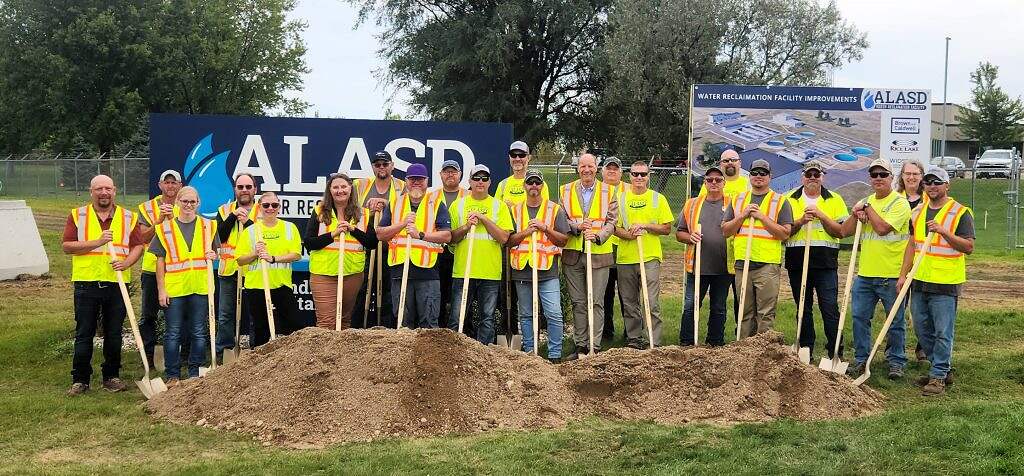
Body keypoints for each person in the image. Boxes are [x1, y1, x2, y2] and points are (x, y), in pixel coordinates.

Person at [62, 175, 145, 396]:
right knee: (84, 332)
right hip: (86, 282)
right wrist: (97, 242)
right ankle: (80, 379)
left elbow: (138, 246)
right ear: (91, 192)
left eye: (108, 188)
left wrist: (127, 262)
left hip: (116, 283)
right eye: (99, 189)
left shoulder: (128, 217)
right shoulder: (78, 215)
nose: (104, 192)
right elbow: (68, 246)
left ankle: (111, 376)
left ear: (114, 191)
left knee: (114, 332)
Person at [898, 166, 974, 396]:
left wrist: (944, 232)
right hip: (920, 280)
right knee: (922, 330)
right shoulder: (918, 212)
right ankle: (942, 367)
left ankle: (938, 375)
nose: (932, 186)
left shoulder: (960, 212)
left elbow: (968, 247)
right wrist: (903, 275)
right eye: (928, 182)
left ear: (946, 185)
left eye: (937, 182)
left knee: (943, 332)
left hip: (945, 282)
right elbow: (912, 245)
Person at [840, 158, 912, 379]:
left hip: (891, 274)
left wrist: (867, 209)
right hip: (866, 274)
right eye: (874, 175)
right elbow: (845, 232)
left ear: (892, 178)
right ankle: (861, 359)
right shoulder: (865, 201)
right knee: (860, 318)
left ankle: (896, 361)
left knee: (895, 321)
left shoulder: (899, 203)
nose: (878, 178)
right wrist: (855, 214)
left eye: (883, 175)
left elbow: (881, 228)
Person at [151, 187, 216, 385]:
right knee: (173, 332)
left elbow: (216, 253)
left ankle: (195, 373)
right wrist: (161, 289)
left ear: (199, 204)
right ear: (177, 202)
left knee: (198, 331)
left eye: (192, 202)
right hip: (175, 288)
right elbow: (160, 261)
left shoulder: (209, 226)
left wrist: (215, 256)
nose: (189, 205)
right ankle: (172, 375)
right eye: (185, 201)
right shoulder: (165, 229)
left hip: (200, 287)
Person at [722, 159, 793, 339]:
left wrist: (761, 217)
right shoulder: (738, 200)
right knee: (744, 312)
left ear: (770, 177)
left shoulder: (780, 201)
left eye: (763, 173)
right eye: (755, 173)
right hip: (742, 264)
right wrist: (743, 215)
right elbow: (725, 230)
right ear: (750, 176)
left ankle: (763, 353)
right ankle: (744, 351)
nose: (758, 176)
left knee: (765, 313)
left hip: (767, 266)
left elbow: (785, 233)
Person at [785, 160, 848, 359]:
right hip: (797, 261)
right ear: (802, 177)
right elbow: (784, 232)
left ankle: (835, 351)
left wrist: (821, 216)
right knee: (803, 307)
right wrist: (801, 221)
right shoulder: (790, 199)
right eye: (809, 174)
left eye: (816, 175)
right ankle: (806, 349)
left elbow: (840, 231)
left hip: (825, 263)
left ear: (822, 177)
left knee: (829, 307)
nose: (812, 178)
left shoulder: (834, 199)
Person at [376, 163, 453, 328]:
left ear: (426, 181)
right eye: (412, 179)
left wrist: (421, 235)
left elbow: (447, 235)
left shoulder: (436, 203)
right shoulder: (396, 203)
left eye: (420, 179)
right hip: (400, 270)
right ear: (406, 181)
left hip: (428, 272)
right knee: (402, 323)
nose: (416, 182)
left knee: (429, 324)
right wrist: (402, 224)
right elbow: (380, 234)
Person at [506, 169, 570, 361]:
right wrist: (526, 231)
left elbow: (563, 240)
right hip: (522, 270)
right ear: (524, 186)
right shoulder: (515, 210)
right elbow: (508, 240)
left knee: (554, 314)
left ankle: (555, 354)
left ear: (542, 186)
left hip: (547, 270)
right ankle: (530, 353)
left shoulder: (554, 209)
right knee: (526, 314)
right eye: (530, 182)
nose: (533, 186)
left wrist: (545, 229)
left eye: (537, 182)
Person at [560, 153, 619, 357]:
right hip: (573, 253)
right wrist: (576, 226)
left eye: (590, 166)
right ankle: (581, 345)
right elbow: (560, 219)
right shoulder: (565, 190)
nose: (586, 170)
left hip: (599, 254)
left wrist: (599, 236)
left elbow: (612, 222)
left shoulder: (609, 191)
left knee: (596, 301)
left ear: (596, 167)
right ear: (578, 168)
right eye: (583, 166)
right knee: (578, 301)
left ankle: (595, 345)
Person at [448, 164, 513, 343]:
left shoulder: (498, 206)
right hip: (463, 271)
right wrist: (467, 226)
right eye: (476, 178)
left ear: (490, 182)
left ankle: (484, 356)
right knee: (457, 318)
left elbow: (504, 238)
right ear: (469, 181)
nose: (480, 182)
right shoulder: (458, 205)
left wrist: (484, 219)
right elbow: (451, 237)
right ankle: (453, 354)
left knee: (488, 319)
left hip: (489, 272)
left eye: (484, 178)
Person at [613, 160, 674, 348]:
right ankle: (634, 339)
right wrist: (629, 235)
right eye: (635, 174)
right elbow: (615, 228)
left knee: (651, 302)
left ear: (648, 176)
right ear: (629, 176)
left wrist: (646, 226)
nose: (639, 177)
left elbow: (666, 228)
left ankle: (653, 341)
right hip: (626, 258)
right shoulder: (620, 198)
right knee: (629, 303)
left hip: (649, 257)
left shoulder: (658, 199)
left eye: (643, 174)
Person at [494, 141, 550, 345]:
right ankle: (510, 331)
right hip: (510, 245)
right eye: (514, 155)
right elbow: (497, 212)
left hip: (533, 247)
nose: (517, 159)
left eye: (521, 155)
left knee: (533, 294)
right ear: (509, 158)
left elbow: (544, 211)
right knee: (507, 293)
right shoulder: (503, 185)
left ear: (529, 158)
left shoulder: (537, 183)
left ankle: (534, 336)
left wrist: (515, 206)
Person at [305, 173, 376, 330]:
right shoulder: (320, 211)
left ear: (350, 189)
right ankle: (323, 354)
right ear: (329, 190)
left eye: (343, 186)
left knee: (344, 322)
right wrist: (333, 234)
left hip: (352, 274)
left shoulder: (362, 214)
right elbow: (309, 243)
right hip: (324, 273)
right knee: (326, 323)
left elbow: (372, 243)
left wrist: (353, 230)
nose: (340, 190)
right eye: (335, 187)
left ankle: (341, 355)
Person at [236, 192, 303, 346]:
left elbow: (296, 254)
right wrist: (255, 253)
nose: (270, 208)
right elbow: (240, 260)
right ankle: (259, 365)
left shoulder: (289, 228)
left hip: (281, 285)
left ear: (279, 207)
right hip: (256, 286)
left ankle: (293, 361)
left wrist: (273, 258)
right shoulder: (251, 231)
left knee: (293, 325)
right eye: (266, 205)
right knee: (261, 329)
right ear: (260, 207)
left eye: (274, 205)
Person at [677, 163, 734, 346]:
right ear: (705, 182)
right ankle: (686, 342)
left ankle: (715, 343)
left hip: (724, 267)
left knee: (718, 308)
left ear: (724, 182)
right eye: (710, 180)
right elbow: (679, 233)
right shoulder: (692, 204)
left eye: (718, 179)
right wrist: (690, 237)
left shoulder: (732, 204)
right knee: (690, 306)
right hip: (697, 266)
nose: (714, 182)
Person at [353, 151, 406, 328]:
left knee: (389, 293)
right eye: (377, 165)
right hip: (366, 247)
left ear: (392, 166)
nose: (381, 167)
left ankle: (386, 332)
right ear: (373, 167)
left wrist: (386, 205)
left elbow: (405, 212)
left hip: (390, 248)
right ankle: (360, 330)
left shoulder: (401, 186)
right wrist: (368, 209)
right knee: (363, 291)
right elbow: (350, 209)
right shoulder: (360, 185)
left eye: (385, 164)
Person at [135, 170, 181, 366]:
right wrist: (159, 221)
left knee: (178, 315)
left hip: (177, 269)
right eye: (167, 182)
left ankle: (179, 355)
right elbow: (142, 237)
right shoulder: (147, 208)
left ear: (179, 185)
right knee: (149, 315)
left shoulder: (186, 205)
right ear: (160, 185)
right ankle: (148, 356)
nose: (170, 186)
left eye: (174, 183)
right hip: (152, 269)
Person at [214, 173, 258, 357]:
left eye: (248, 187)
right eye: (240, 187)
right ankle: (225, 351)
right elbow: (218, 238)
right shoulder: (224, 210)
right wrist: (232, 217)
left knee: (255, 313)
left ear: (255, 189)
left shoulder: (262, 210)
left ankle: (256, 351)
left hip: (252, 270)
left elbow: (261, 237)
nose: (244, 190)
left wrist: (247, 222)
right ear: (235, 189)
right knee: (225, 315)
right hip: (229, 269)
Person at [896, 158, 929, 362]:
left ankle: (922, 347)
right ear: (902, 176)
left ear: (921, 177)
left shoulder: (928, 199)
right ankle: (895, 348)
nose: (911, 177)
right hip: (895, 258)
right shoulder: (894, 198)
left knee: (920, 309)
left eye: (915, 174)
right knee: (898, 306)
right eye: (908, 174)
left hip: (921, 259)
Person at [429, 160, 468, 329]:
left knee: (460, 293)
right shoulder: (431, 197)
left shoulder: (469, 196)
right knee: (439, 292)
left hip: (461, 251)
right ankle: (439, 328)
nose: (450, 174)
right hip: (438, 252)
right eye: (446, 171)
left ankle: (462, 329)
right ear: (440, 175)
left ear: (460, 174)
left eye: (453, 171)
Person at [600, 156, 625, 340]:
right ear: (602, 172)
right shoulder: (598, 191)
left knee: (627, 294)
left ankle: (630, 332)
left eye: (615, 169)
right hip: (603, 247)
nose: (612, 171)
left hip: (624, 246)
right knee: (605, 293)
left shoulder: (630, 190)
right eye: (609, 168)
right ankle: (606, 332)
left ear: (621, 172)